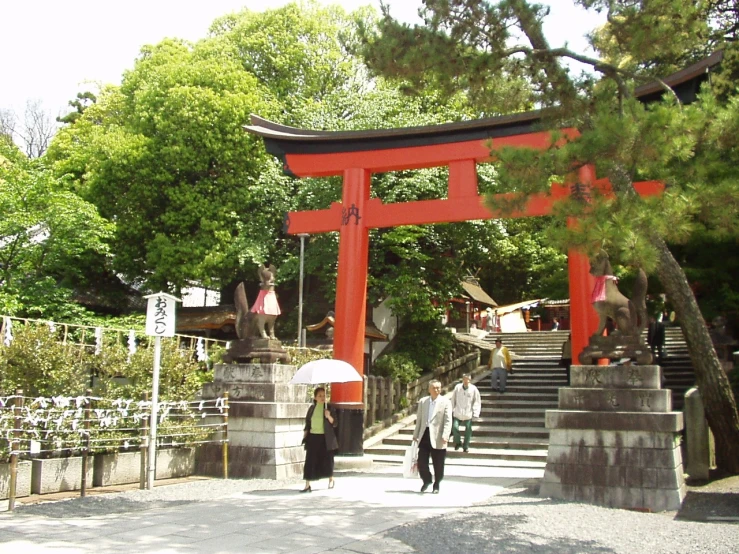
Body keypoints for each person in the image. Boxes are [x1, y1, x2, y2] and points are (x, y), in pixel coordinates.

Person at [412, 380, 452, 494]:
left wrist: (445, 435)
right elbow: (419, 419)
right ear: (429, 389)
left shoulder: (445, 402)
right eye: (434, 388)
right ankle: (427, 480)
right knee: (421, 462)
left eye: (438, 388)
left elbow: (448, 420)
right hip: (425, 434)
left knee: (438, 463)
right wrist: (416, 434)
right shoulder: (423, 402)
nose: (437, 390)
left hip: (438, 435)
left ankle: (437, 483)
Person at [301, 387, 338, 493]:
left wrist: (328, 416)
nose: (322, 398)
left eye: (324, 395)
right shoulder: (312, 408)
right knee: (310, 460)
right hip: (313, 437)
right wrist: (305, 434)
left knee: (327, 459)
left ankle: (330, 477)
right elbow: (308, 423)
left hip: (325, 438)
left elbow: (335, 423)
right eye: (320, 396)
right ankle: (307, 484)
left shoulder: (329, 408)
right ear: (315, 398)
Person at [450, 374, 481, 453]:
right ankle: (458, 442)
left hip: (468, 413)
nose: (466, 381)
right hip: (458, 412)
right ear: (463, 379)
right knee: (455, 427)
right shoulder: (457, 388)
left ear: (470, 380)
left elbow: (477, 401)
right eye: (465, 379)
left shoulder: (473, 389)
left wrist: (476, 412)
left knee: (468, 430)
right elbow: (453, 399)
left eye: (468, 380)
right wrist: (451, 409)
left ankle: (466, 445)